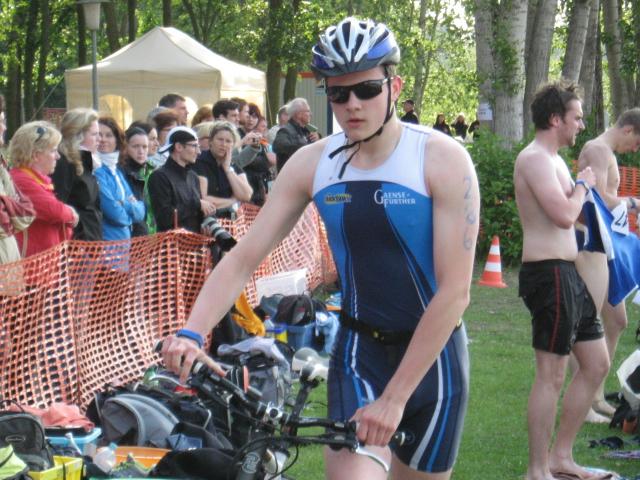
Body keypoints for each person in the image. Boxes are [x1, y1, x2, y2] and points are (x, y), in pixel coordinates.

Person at [161, 17, 478, 480]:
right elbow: (244, 258)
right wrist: (192, 332)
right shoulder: (313, 163)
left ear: (395, 86)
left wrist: (395, 399)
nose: (353, 104)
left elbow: (454, 293)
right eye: (338, 93)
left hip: (434, 358)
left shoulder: (442, 159)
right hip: (359, 352)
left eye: (367, 89)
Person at [514, 80, 610, 480]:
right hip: (548, 274)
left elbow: (580, 214)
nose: (581, 125)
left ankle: (561, 457)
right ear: (556, 119)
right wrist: (583, 185)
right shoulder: (535, 158)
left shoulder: (554, 160)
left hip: (568, 273)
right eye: (577, 117)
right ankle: (538, 470)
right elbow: (563, 215)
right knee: (551, 374)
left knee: (597, 363)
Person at [575, 108, 640, 422]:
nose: (636, 150)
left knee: (616, 321)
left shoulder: (605, 152)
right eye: (638, 141)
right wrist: (634, 203)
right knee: (587, 323)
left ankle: (596, 396)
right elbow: (598, 199)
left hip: (606, 244)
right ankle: (585, 403)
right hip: (590, 242)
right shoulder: (597, 150)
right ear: (628, 129)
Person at [9, 122, 78, 256]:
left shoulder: (35, 179)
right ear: (35, 155)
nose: (58, 156)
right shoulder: (21, 180)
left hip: (44, 260)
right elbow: (54, 211)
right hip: (31, 262)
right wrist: (71, 213)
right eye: (53, 151)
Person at [147, 126, 215, 233]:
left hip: (195, 241)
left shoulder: (193, 176)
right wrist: (196, 204)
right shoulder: (159, 177)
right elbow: (165, 217)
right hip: (171, 242)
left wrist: (205, 223)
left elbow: (196, 212)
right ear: (178, 146)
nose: (199, 152)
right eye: (194, 146)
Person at [52, 108, 102, 241]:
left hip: (92, 240)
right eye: (94, 134)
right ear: (78, 135)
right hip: (76, 243)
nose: (99, 139)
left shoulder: (87, 162)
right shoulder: (64, 163)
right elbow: (59, 204)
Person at [0, 94, 34, 265]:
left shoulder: (1, 164)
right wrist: (8, 205)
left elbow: (26, 212)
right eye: (0, 121)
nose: (4, 127)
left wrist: (7, 205)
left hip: (9, 257)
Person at [192, 121, 253, 216]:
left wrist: (228, 170)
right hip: (205, 218)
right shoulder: (200, 161)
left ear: (233, 145)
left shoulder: (232, 165)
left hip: (230, 219)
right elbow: (204, 198)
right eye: (220, 139)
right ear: (210, 141)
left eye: (228, 141)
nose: (223, 144)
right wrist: (233, 201)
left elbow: (246, 195)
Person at [120, 126, 155, 237]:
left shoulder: (151, 172)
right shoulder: (119, 173)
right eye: (135, 146)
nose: (141, 151)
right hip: (128, 236)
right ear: (125, 147)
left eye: (145, 147)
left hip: (148, 235)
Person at [272, 97, 320, 172]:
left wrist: (317, 139)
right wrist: (304, 146)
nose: (310, 114)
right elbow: (277, 146)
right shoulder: (285, 130)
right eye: (308, 111)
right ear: (298, 114)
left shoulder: (306, 131)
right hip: (290, 176)